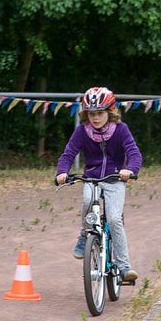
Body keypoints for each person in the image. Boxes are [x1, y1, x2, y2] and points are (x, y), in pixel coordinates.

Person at [55, 86, 142, 282]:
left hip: (116, 179)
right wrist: (62, 172)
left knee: (114, 219)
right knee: (87, 202)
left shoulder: (121, 130)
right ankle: (85, 235)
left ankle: (124, 266)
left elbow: (134, 153)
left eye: (100, 113)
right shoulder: (82, 132)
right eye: (91, 114)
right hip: (92, 178)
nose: (95, 118)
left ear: (110, 112)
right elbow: (68, 153)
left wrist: (131, 170)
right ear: (85, 114)